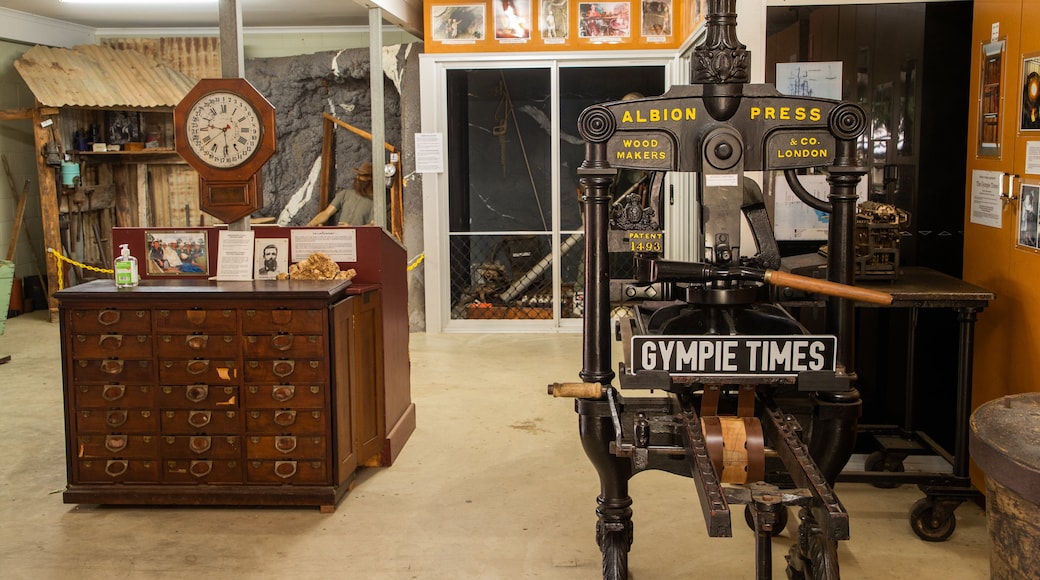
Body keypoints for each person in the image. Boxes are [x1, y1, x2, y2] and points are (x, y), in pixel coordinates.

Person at [307, 161, 375, 226]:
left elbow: (373, 225)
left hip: (360, 237)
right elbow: (326, 213)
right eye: (358, 174)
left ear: (370, 178)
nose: (358, 177)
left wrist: (352, 228)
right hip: (340, 236)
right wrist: (311, 224)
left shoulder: (375, 202)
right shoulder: (345, 194)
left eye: (362, 175)